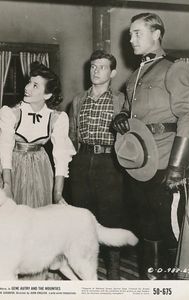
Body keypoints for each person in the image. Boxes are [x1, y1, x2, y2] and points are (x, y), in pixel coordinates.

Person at [112, 12, 189, 280]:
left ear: (157, 34)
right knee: (147, 231)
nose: (131, 39)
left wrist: (176, 167)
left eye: (137, 33)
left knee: (170, 232)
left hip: (165, 164)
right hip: (140, 166)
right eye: (130, 34)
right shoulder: (134, 76)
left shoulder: (174, 67)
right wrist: (122, 117)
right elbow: (133, 112)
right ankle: (151, 287)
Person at [68, 50, 127, 280]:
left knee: (111, 218)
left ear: (112, 72)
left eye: (101, 67)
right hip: (82, 161)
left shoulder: (121, 100)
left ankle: (113, 274)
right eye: (92, 66)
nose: (95, 70)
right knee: (83, 219)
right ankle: (85, 272)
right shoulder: (78, 99)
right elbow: (72, 135)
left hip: (110, 163)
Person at [0, 62, 75, 210]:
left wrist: (57, 193)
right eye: (29, 82)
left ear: (47, 94)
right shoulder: (11, 114)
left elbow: (61, 156)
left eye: (35, 85)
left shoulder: (57, 118)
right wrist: (7, 185)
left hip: (41, 168)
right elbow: (5, 151)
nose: (27, 88)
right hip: (12, 167)